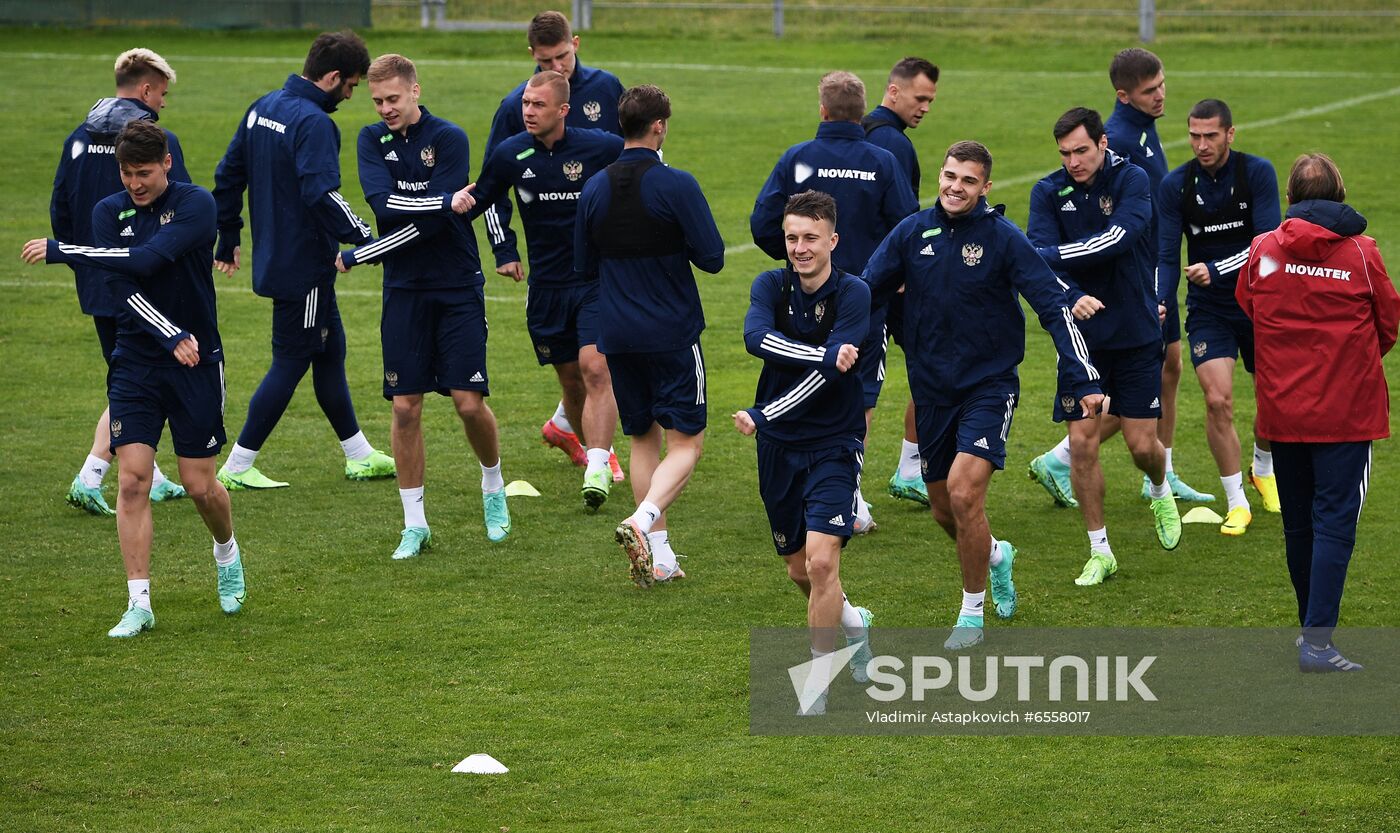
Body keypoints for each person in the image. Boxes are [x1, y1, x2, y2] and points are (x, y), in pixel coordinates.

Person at [863, 141, 1102, 649]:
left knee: (966, 492)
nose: (955, 187)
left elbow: (1053, 305)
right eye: (950, 176)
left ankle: (971, 615)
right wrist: (833, 344)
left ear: (985, 187)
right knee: (945, 510)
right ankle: (995, 554)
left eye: (969, 181)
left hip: (989, 388)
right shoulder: (911, 233)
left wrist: (1083, 377)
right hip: (930, 392)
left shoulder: (1004, 240)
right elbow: (866, 292)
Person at [23, 121, 247, 637]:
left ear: (166, 163)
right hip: (137, 362)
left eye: (143, 173)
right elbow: (119, 286)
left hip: (196, 362)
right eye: (126, 173)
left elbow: (147, 259)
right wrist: (168, 334)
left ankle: (226, 551)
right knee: (131, 480)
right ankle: (139, 604)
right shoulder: (109, 212)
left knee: (198, 484)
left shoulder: (196, 206)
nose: (134, 183)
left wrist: (64, 250)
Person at [336, 54, 511, 555]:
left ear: (415, 90)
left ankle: (493, 485)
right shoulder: (371, 140)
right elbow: (382, 204)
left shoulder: (450, 138)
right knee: (406, 408)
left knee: (468, 402)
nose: (385, 108)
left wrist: (361, 253)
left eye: (393, 98)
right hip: (404, 289)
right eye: (377, 101)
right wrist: (440, 203)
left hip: (457, 284)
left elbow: (423, 222)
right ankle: (415, 523)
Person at [1028, 48, 1213, 507]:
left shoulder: (1144, 131)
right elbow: (1117, 234)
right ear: (1123, 95)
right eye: (1150, 90)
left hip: (1152, 275)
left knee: (1169, 365)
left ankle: (1161, 467)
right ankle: (1071, 457)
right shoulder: (1123, 143)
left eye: (1162, 84)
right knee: (1155, 371)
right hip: (1135, 285)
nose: (1160, 95)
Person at [212, 31, 395, 490]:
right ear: (332, 77)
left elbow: (228, 174)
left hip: (278, 257)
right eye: (351, 86)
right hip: (305, 267)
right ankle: (236, 466)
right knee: (292, 359)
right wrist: (365, 236)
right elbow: (322, 193)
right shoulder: (314, 123)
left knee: (330, 352)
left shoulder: (263, 107)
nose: (351, 96)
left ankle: (357, 453)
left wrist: (228, 234)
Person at [1236, 153, 1398, 672]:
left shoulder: (1263, 249)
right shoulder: (1360, 252)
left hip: (1284, 411)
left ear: (1290, 197)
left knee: (1300, 527)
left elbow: (1248, 303)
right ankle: (1318, 643)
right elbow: (1388, 324)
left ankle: (1312, 633)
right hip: (1346, 415)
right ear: (1340, 196)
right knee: (1334, 526)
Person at [749, 70, 918, 535]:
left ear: (822, 111)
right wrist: (890, 277)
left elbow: (763, 221)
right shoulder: (883, 161)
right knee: (857, 397)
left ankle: (812, 481)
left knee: (797, 379)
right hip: (865, 302)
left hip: (801, 302)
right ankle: (848, 492)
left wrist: (794, 264)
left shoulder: (798, 157)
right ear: (863, 114)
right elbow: (908, 227)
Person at [575, 84, 725, 587]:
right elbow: (713, 257)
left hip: (615, 331)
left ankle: (660, 555)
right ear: (659, 125)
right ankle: (642, 520)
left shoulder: (594, 187)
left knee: (643, 438)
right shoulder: (676, 184)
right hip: (671, 331)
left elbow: (582, 263)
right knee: (687, 442)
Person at [1027, 107, 1183, 588]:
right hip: (1081, 340)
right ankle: (1100, 550)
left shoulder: (1133, 181)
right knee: (1081, 442)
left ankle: (1160, 487)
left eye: (1081, 150)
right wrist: (1072, 296)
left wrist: (1047, 256)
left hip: (1136, 332)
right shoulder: (1048, 192)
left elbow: (1119, 238)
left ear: (1103, 145)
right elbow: (1038, 262)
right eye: (1065, 153)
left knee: (1142, 446)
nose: (1073, 161)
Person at [735, 191, 874, 716]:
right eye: (792, 237)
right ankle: (854, 623)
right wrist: (822, 353)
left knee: (820, 563)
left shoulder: (854, 294)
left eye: (810, 237)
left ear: (832, 240)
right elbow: (755, 338)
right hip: (778, 450)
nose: (799, 247)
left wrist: (765, 412)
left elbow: (824, 380)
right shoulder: (769, 284)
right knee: (799, 571)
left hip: (835, 443)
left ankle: (818, 678)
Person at [464, 71, 625, 511]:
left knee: (596, 370)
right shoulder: (510, 153)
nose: (528, 111)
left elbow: (643, 170)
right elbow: (483, 199)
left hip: (594, 281)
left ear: (563, 111)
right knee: (571, 380)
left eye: (537, 105)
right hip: (547, 287)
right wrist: (503, 248)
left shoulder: (602, 147)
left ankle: (597, 464)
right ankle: (593, 447)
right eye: (526, 104)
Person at [52, 47, 190, 516]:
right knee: (139, 379)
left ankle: (150, 475)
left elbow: (60, 209)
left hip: (97, 282)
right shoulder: (154, 143)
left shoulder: (78, 136)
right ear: (147, 89)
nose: (164, 104)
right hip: (144, 285)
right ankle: (91, 475)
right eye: (163, 94)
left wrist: (87, 267)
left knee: (129, 375)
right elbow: (182, 208)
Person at [1157, 99, 1281, 535]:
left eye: (1210, 135)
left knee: (1275, 401)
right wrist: (1160, 299)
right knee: (1217, 400)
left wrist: (1218, 268)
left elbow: (1268, 245)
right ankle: (1237, 501)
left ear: (1231, 134)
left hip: (1260, 302)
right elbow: (1167, 254)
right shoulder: (1176, 185)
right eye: (1194, 135)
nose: (1202, 144)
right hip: (1209, 310)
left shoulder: (1257, 173)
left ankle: (1262, 468)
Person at [862, 56, 941, 510]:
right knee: (932, 366)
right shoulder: (895, 145)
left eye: (930, 99)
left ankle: (910, 466)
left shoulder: (867, 132)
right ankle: (911, 468)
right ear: (894, 92)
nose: (926, 106)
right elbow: (905, 223)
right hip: (892, 283)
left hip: (865, 279)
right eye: (920, 97)